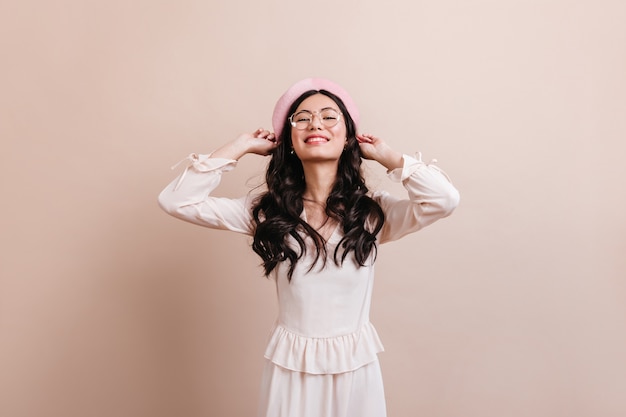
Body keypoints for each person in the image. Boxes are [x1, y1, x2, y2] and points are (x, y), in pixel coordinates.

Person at [158, 78, 460, 417]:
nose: (315, 123)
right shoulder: (268, 213)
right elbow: (176, 200)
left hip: (356, 370)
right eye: (302, 118)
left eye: (329, 116)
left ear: (349, 138)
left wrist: (388, 157)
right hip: (291, 371)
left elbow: (444, 200)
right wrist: (240, 146)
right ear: (288, 140)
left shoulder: (372, 212)